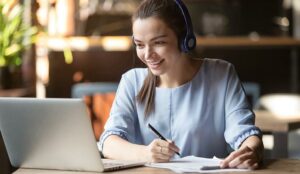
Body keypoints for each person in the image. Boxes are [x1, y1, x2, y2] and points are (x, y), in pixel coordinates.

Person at [99, 0, 264, 170]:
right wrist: (146, 153)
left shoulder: (221, 74)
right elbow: (109, 142)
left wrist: (252, 150)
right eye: (140, 45)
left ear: (185, 39)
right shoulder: (132, 81)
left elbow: (244, 133)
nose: (148, 55)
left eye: (159, 43)